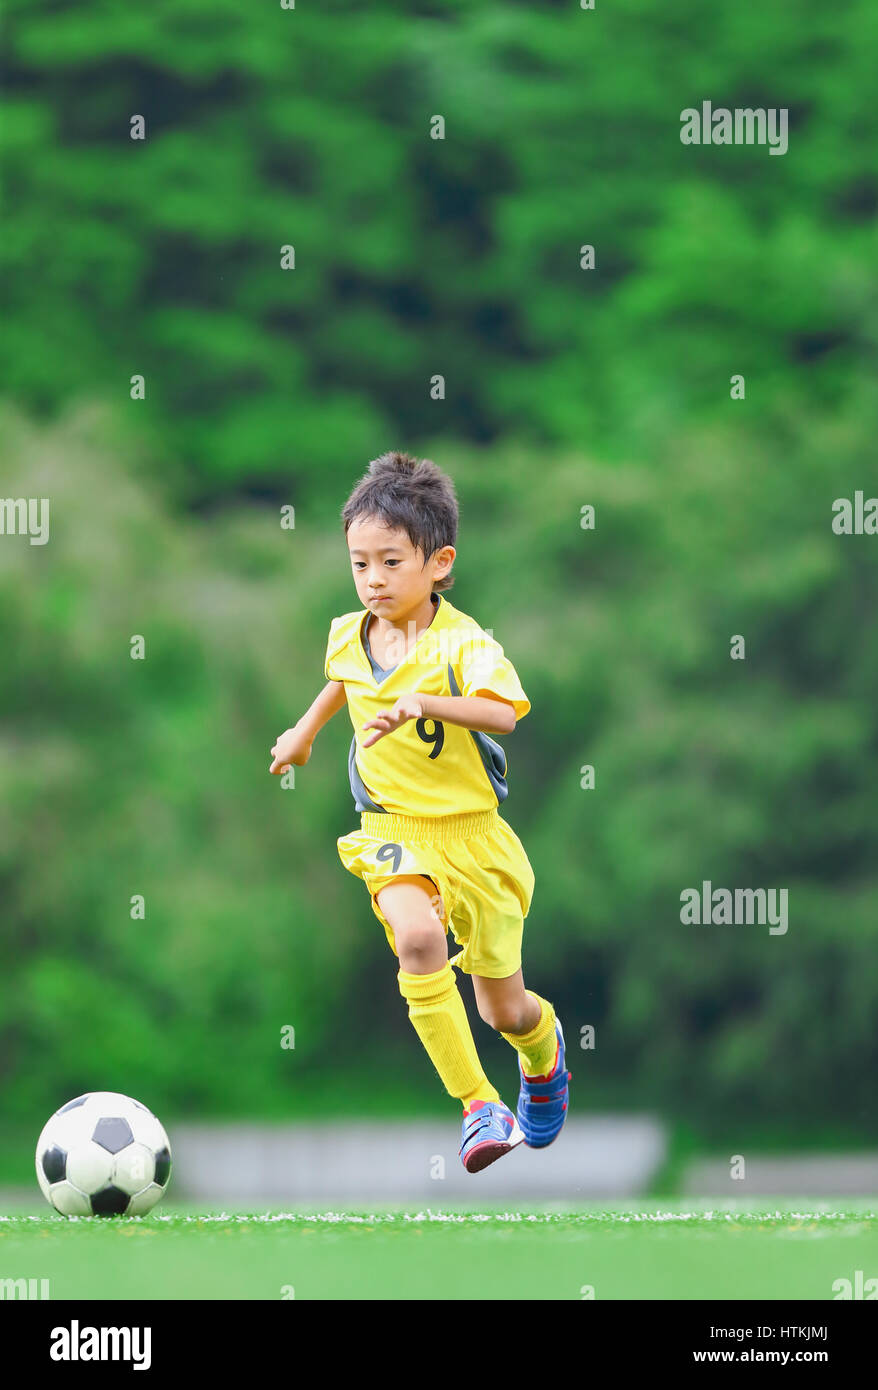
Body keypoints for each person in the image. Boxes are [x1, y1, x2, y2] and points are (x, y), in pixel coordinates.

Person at [270, 451, 570, 1172]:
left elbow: (502, 714)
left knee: (505, 1011)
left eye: (391, 563)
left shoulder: (466, 644)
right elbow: (342, 681)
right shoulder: (349, 632)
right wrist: (303, 736)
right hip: (392, 833)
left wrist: (425, 701)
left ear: (439, 562)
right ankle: (477, 1105)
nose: (373, 580)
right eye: (360, 564)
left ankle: (544, 1052)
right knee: (415, 940)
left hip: (475, 843)